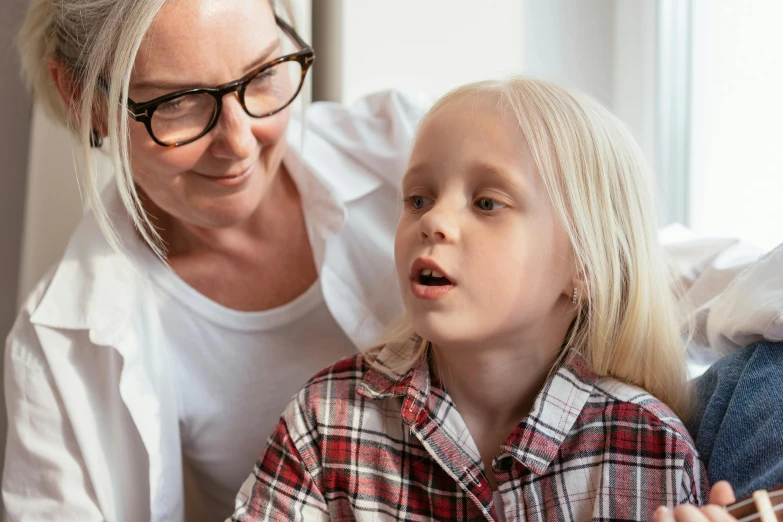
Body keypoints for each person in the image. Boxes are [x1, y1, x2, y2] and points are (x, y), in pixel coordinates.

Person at [4, 0, 429, 520]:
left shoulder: (410, 148)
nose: (239, 142)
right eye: (181, 102)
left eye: (262, 73)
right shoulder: (59, 347)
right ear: (85, 99)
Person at [228, 78, 708, 522]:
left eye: (486, 202)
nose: (433, 220)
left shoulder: (650, 446)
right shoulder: (327, 417)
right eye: (418, 198)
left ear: (583, 263)